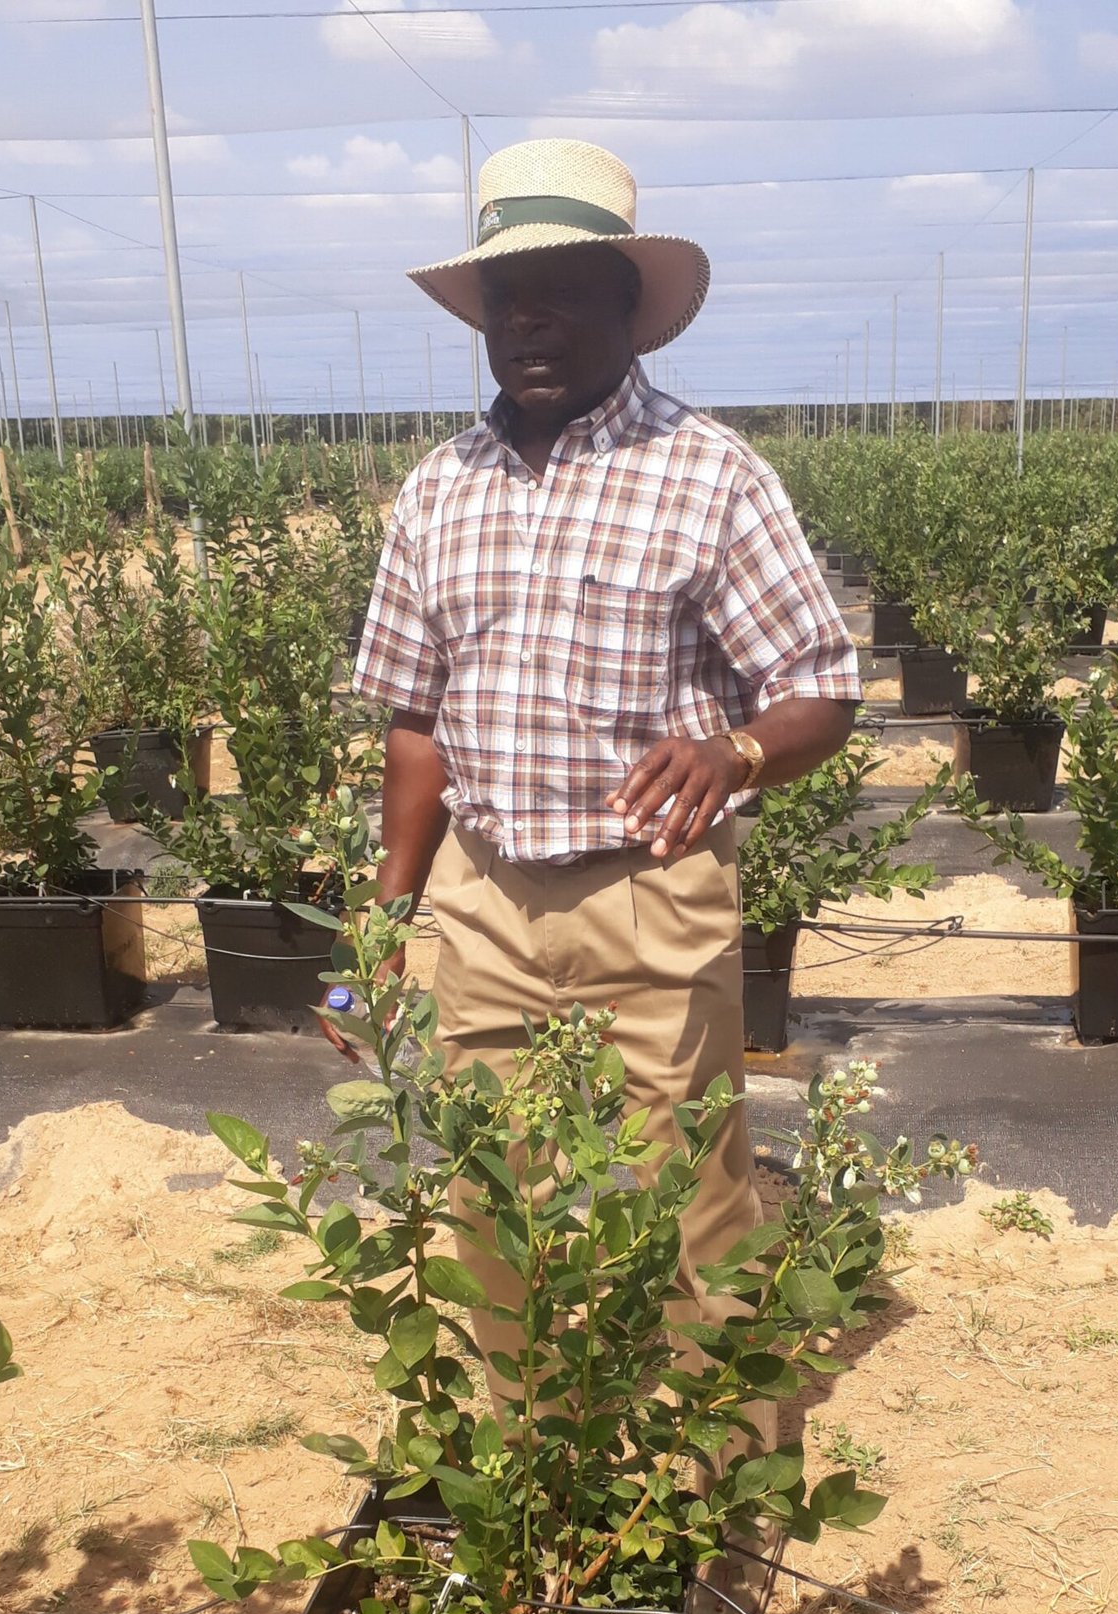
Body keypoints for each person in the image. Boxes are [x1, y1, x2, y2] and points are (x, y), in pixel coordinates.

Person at [340, 137, 860, 1505]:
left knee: (689, 1204)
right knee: (486, 1202)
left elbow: (823, 687)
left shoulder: (709, 474)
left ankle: (710, 1485)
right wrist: (389, 912)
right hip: (481, 895)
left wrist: (736, 748)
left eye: (565, 292)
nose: (532, 324)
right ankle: (523, 1469)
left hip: (649, 893)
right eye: (510, 299)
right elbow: (412, 717)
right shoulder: (437, 489)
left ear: (627, 311)